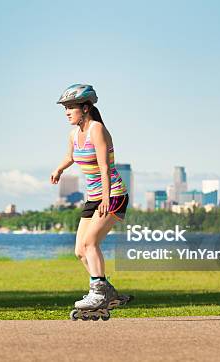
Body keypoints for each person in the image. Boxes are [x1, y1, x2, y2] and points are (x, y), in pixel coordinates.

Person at [51, 84, 129, 311]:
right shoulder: (74, 134)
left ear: (85, 108)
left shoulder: (98, 130)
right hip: (93, 197)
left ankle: (98, 293)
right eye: (65, 108)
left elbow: (105, 167)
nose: (66, 112)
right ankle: (108, 291)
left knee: (90, 243)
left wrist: (105, 198)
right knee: (79, 251)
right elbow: (70, 156)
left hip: (112, 194)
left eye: (70, 107)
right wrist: (59, 169)